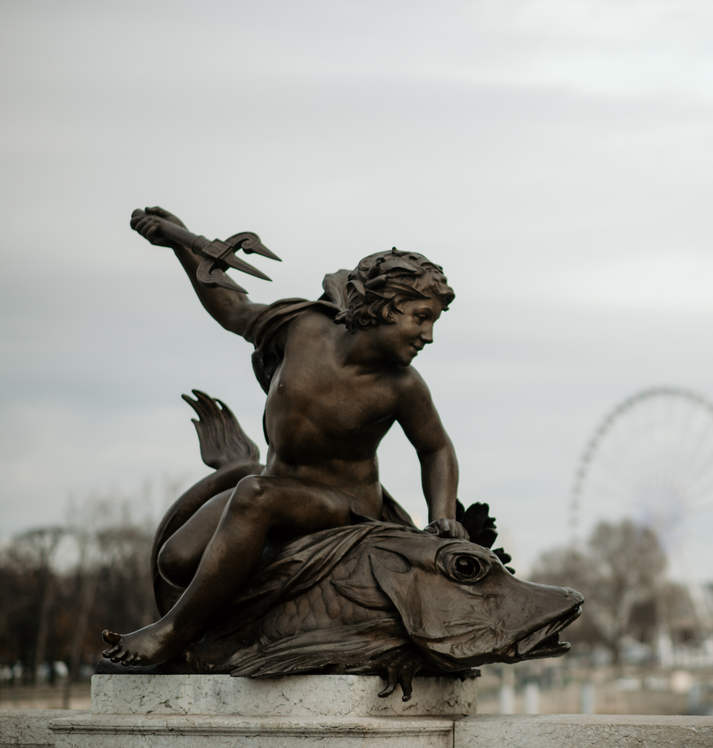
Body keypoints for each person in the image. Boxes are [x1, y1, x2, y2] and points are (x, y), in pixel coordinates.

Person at [102, 206, 468, 667]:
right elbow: (233, 309)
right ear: (384, 307)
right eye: (421, 317)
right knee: (175, 560)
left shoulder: (403, 386)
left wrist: (443, 517)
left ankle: (172, 631)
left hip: (343, 502)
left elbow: (435, 448)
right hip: (278, 480)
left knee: (255, 494)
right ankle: (236, 629)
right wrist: (179, 244)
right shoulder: (304, 328)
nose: (429, 336)